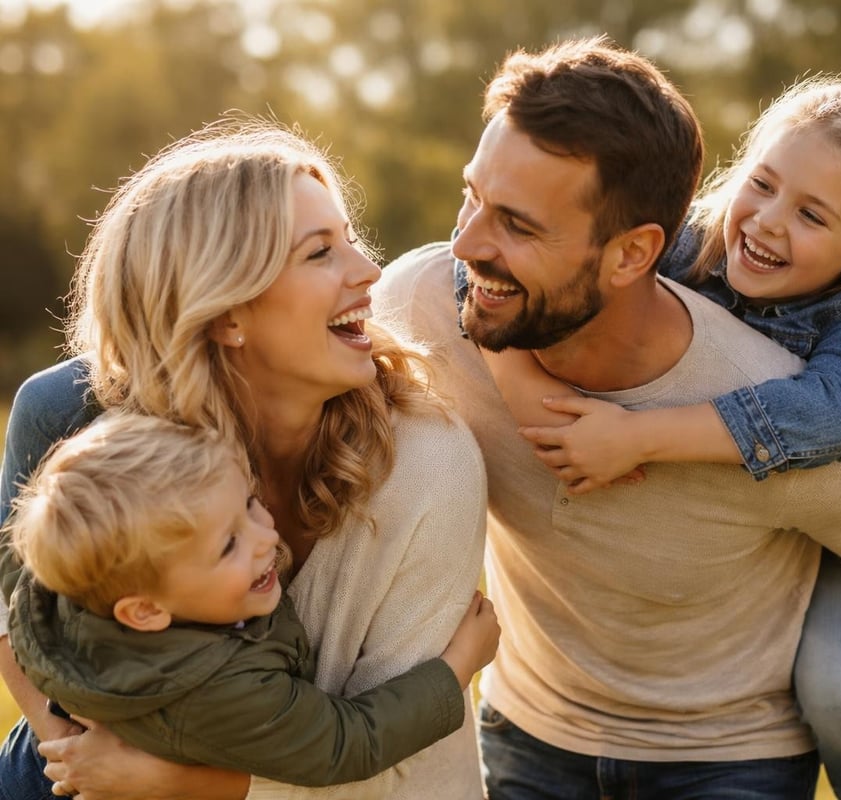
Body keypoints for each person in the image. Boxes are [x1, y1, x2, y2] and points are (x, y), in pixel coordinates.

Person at [376, 36, 841, 800]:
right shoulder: (675, 245)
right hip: (527, 731)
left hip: (727, 760)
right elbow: (471, 267)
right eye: (762, 184)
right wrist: (515, 373)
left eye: (811, 214)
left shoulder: (823, 372)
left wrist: (835, 687)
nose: (766, 223)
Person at [0, 118, 489, 799]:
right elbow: (16, 615)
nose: (369, 271)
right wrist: (73, 758)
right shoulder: (70, 416)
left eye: (349, 239)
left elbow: (369, 751)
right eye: (320, 253)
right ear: (227, 312)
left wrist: (172, 783)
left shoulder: (429, 463)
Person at [3, 412, 499, 789]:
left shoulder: (76, 595)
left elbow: (16, 568)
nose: (265, 537)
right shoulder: (218, 690)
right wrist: (456, 667)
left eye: (249, 504)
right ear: (146, 611)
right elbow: (345, 742)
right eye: (228, 545)